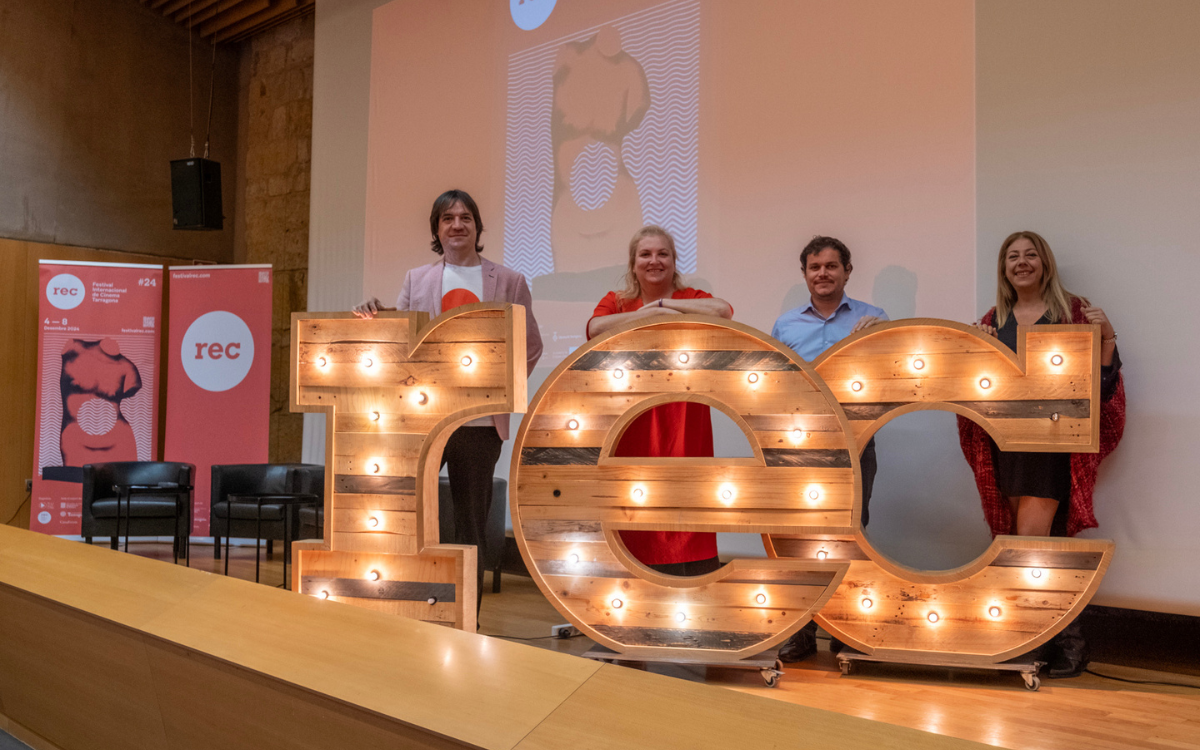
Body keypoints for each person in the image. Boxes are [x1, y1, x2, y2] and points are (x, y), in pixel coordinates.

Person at [354, 189, 543, 611]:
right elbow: (403, 338)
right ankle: (407, 603)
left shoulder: (509, 281)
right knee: (403, 513)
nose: (457, 225)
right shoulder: (416, 279)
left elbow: (530, 346)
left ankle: (467, 616)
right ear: (437, 230)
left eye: (465, 218)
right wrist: (376, 311)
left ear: (477, 227)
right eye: (447, 219)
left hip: (478, 425)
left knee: (470, 523)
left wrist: (501, 389)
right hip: (424, 420)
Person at [959, 230, 1124, 678]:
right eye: (1013, 256)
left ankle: (1037, 641)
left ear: (1045, 263)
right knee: (1032, 545)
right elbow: (980, 392)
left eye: (1031, 255)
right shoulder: (995, 318)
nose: (1022, 262)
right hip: (1007, 447)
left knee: (1029, 545)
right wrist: (980, 349)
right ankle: (1057, 643)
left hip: (1050, 448)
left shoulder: (1072, 311)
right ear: (1004, 268)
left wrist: (1107, 337)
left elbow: (1102, 385)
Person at [587, 225, 733, 576]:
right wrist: (645, 316)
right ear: (634, 263)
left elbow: (724, 312)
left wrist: (664, 304)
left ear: (673, 260)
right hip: (631, 414)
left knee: (686, 494)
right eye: (646, 254)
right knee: (635, 496)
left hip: (684, 411)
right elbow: (594, 328)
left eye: (662, 254)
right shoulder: (617, 300)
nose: (654, 261)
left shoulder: (691, 296)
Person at [770, 235, 888, 662]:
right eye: (815, 267)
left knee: (850, 534)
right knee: (799, 539)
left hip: (857, 444)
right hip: (801, 447)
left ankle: (844, 630)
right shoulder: (785, 326)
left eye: (831, 266)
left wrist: (876, 342)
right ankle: (800, 633)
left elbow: (889, 379)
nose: (823, 273)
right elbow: (775, 386)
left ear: (847, 271)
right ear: (804, 273)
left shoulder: (874, 319)